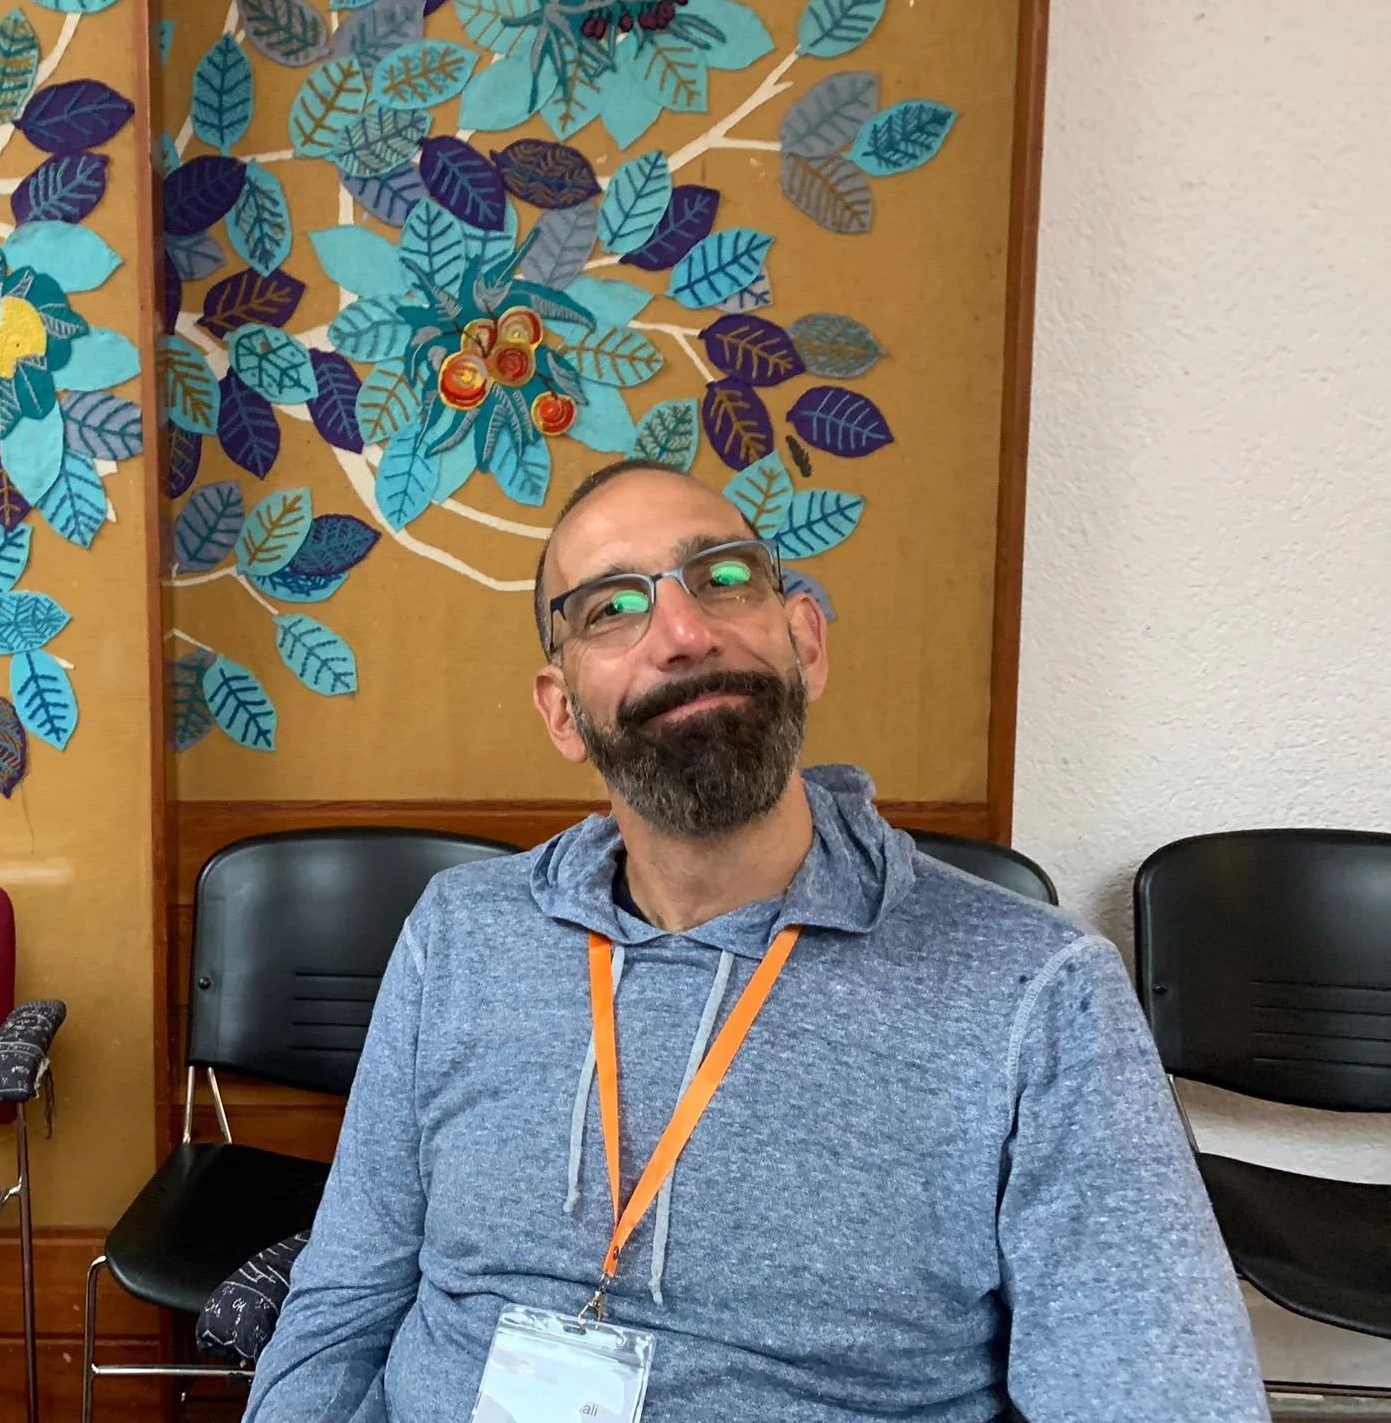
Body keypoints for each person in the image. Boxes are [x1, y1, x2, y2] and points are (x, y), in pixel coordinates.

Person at [245, 459, 1267, 1422]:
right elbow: (343, 1295)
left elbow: (1156, 1389)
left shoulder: (1036, 991)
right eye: (611, 608)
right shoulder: (458, 936)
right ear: (562, 711)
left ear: (804, 641)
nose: (681, 632)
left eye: (722, 579)